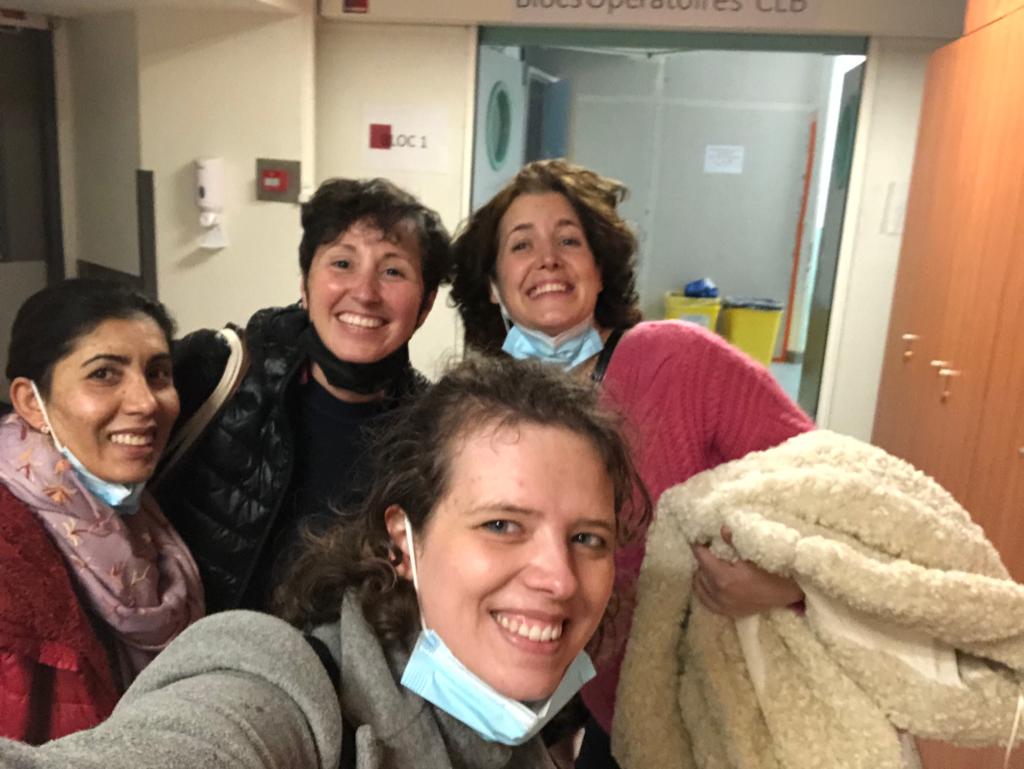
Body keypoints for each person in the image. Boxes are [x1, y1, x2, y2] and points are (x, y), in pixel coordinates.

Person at [0, 355, 650, 769]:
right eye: (502, 525)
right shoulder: (287, 691)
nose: (558, 577)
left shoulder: (528, 742)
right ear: (404, 540)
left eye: (588, 538)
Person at [450, 159, 815, 767]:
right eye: (521, 245)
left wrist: (787, 585)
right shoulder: (489, 412)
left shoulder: (677, 360)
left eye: (570, 241)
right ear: (493, 284)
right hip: (614, 715)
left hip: (730, 710)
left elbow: (832, 490)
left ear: (601, 270)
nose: (548, 259)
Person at [154, 177, 451, 614]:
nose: (365, 293)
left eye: (392, 271)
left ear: (424, 306)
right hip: (198, 651)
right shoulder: (217, 372)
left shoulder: (435, 434)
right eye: (342, 264)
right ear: (305, 286)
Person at [0, 279, 204, 744]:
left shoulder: (142, 516)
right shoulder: (10, 555)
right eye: (104, 374)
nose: (145, 402)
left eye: (158, 374)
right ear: (32, 402)